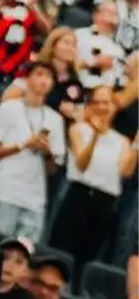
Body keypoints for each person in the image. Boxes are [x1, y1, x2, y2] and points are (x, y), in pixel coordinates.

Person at [49, 86, 139, 273]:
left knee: (87, 260)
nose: (102, 107)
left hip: (105, 202)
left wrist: (136, 144)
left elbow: (126, 171)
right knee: (61, 252)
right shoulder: (78, 129)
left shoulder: (122, 141)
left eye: (106, 103)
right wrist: (95, 137)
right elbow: (82, 164)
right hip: (79, 195)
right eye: (96, 102)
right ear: (89, 106)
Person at [0, 60, 64, 240]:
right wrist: (23, 145)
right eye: (39, 74)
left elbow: (53, 169)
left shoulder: (55, 119)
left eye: (49, 77)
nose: (44, 80)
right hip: (5, 192)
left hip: (35, 200)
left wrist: (47, 152)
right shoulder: (9, 108)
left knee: (27, 251)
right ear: (27, 79)